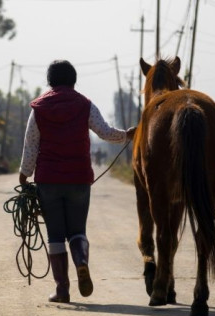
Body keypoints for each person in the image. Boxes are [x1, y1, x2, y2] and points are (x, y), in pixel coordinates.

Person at [18, 60, 135, 303]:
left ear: (50, 81)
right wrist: (127, 135)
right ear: (73, 80)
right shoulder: (85, 105)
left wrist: (23, 175)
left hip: (48, 181)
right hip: (79, 179)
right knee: (77, 231)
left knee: (55, 235)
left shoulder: (39, 108)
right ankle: (81, 262)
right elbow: (105, 132)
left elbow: (30, 145)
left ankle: (62, 289)